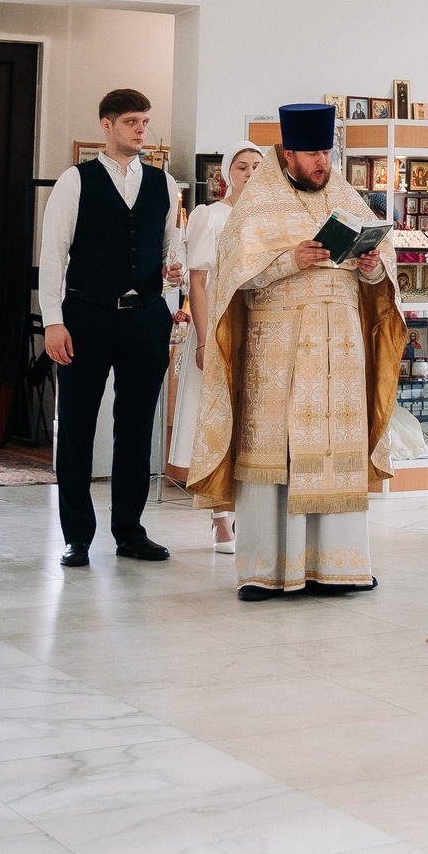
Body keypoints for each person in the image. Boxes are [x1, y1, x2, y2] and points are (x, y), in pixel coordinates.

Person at [188, 103, 407, 600]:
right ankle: (264, 570)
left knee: (336, 455)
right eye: (312, 154)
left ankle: (340, 566)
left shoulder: (346, 197)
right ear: (288, 154)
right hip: (279, 347)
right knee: (278, 455)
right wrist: (289, 259)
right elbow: (233, 279)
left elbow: (378, 279)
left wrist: (372, 264)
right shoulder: (257, 204)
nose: (322, 164)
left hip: (342, 347)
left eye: (326, 154)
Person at [40, 88, 186, 568]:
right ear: (106, 125)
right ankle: (76, 536)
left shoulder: (164, 185)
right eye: (130, 122)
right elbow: (52, 257)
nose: (140, 129)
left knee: (137, 427)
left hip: (145, 317)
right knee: (78, 427)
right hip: (85, 315)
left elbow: (171, 248)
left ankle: (129, 530)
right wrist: (54, 321)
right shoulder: (74, 181)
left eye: (144, 121)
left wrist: (172, 280)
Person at [174, 145, 264, 553]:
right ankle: (219, 518)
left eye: (257, 167)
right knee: (214, 417)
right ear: (227, 174)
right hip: (217, 324)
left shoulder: (268, 216)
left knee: (251, 419)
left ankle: (249, 512)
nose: (249, 172)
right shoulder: (209, 215)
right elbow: (197, 281)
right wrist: (205, 337)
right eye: (241, 167)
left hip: (260, 325)